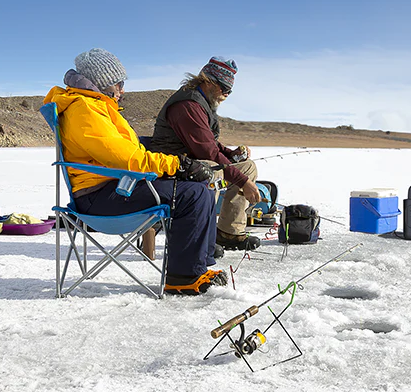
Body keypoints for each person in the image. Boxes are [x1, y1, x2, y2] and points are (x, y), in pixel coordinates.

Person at [43, 48, 227, 295]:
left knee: (200, 187)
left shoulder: (97, 107)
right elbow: (125, 158)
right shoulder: (85, 110)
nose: (122, 90)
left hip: (112, 187)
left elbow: (127, 149)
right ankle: (184, 277)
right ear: (102, 83)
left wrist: (168, 157)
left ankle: (198, 266)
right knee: (193, 195)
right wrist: (177, 165)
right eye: (119, 84)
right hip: (99, 198)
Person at [147, 56, 262, 251]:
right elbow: (207, 152)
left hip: (190, 164)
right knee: (211, 170)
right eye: (223, 88)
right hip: (171, 169)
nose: (226, 94)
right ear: (208, 82)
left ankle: (229, 233)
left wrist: (233, 154)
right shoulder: (187, 106)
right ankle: (201, 238)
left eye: (230, 90)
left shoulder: (202, 103)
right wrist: (243, 182)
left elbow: (210, 143)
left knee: (247, 167)